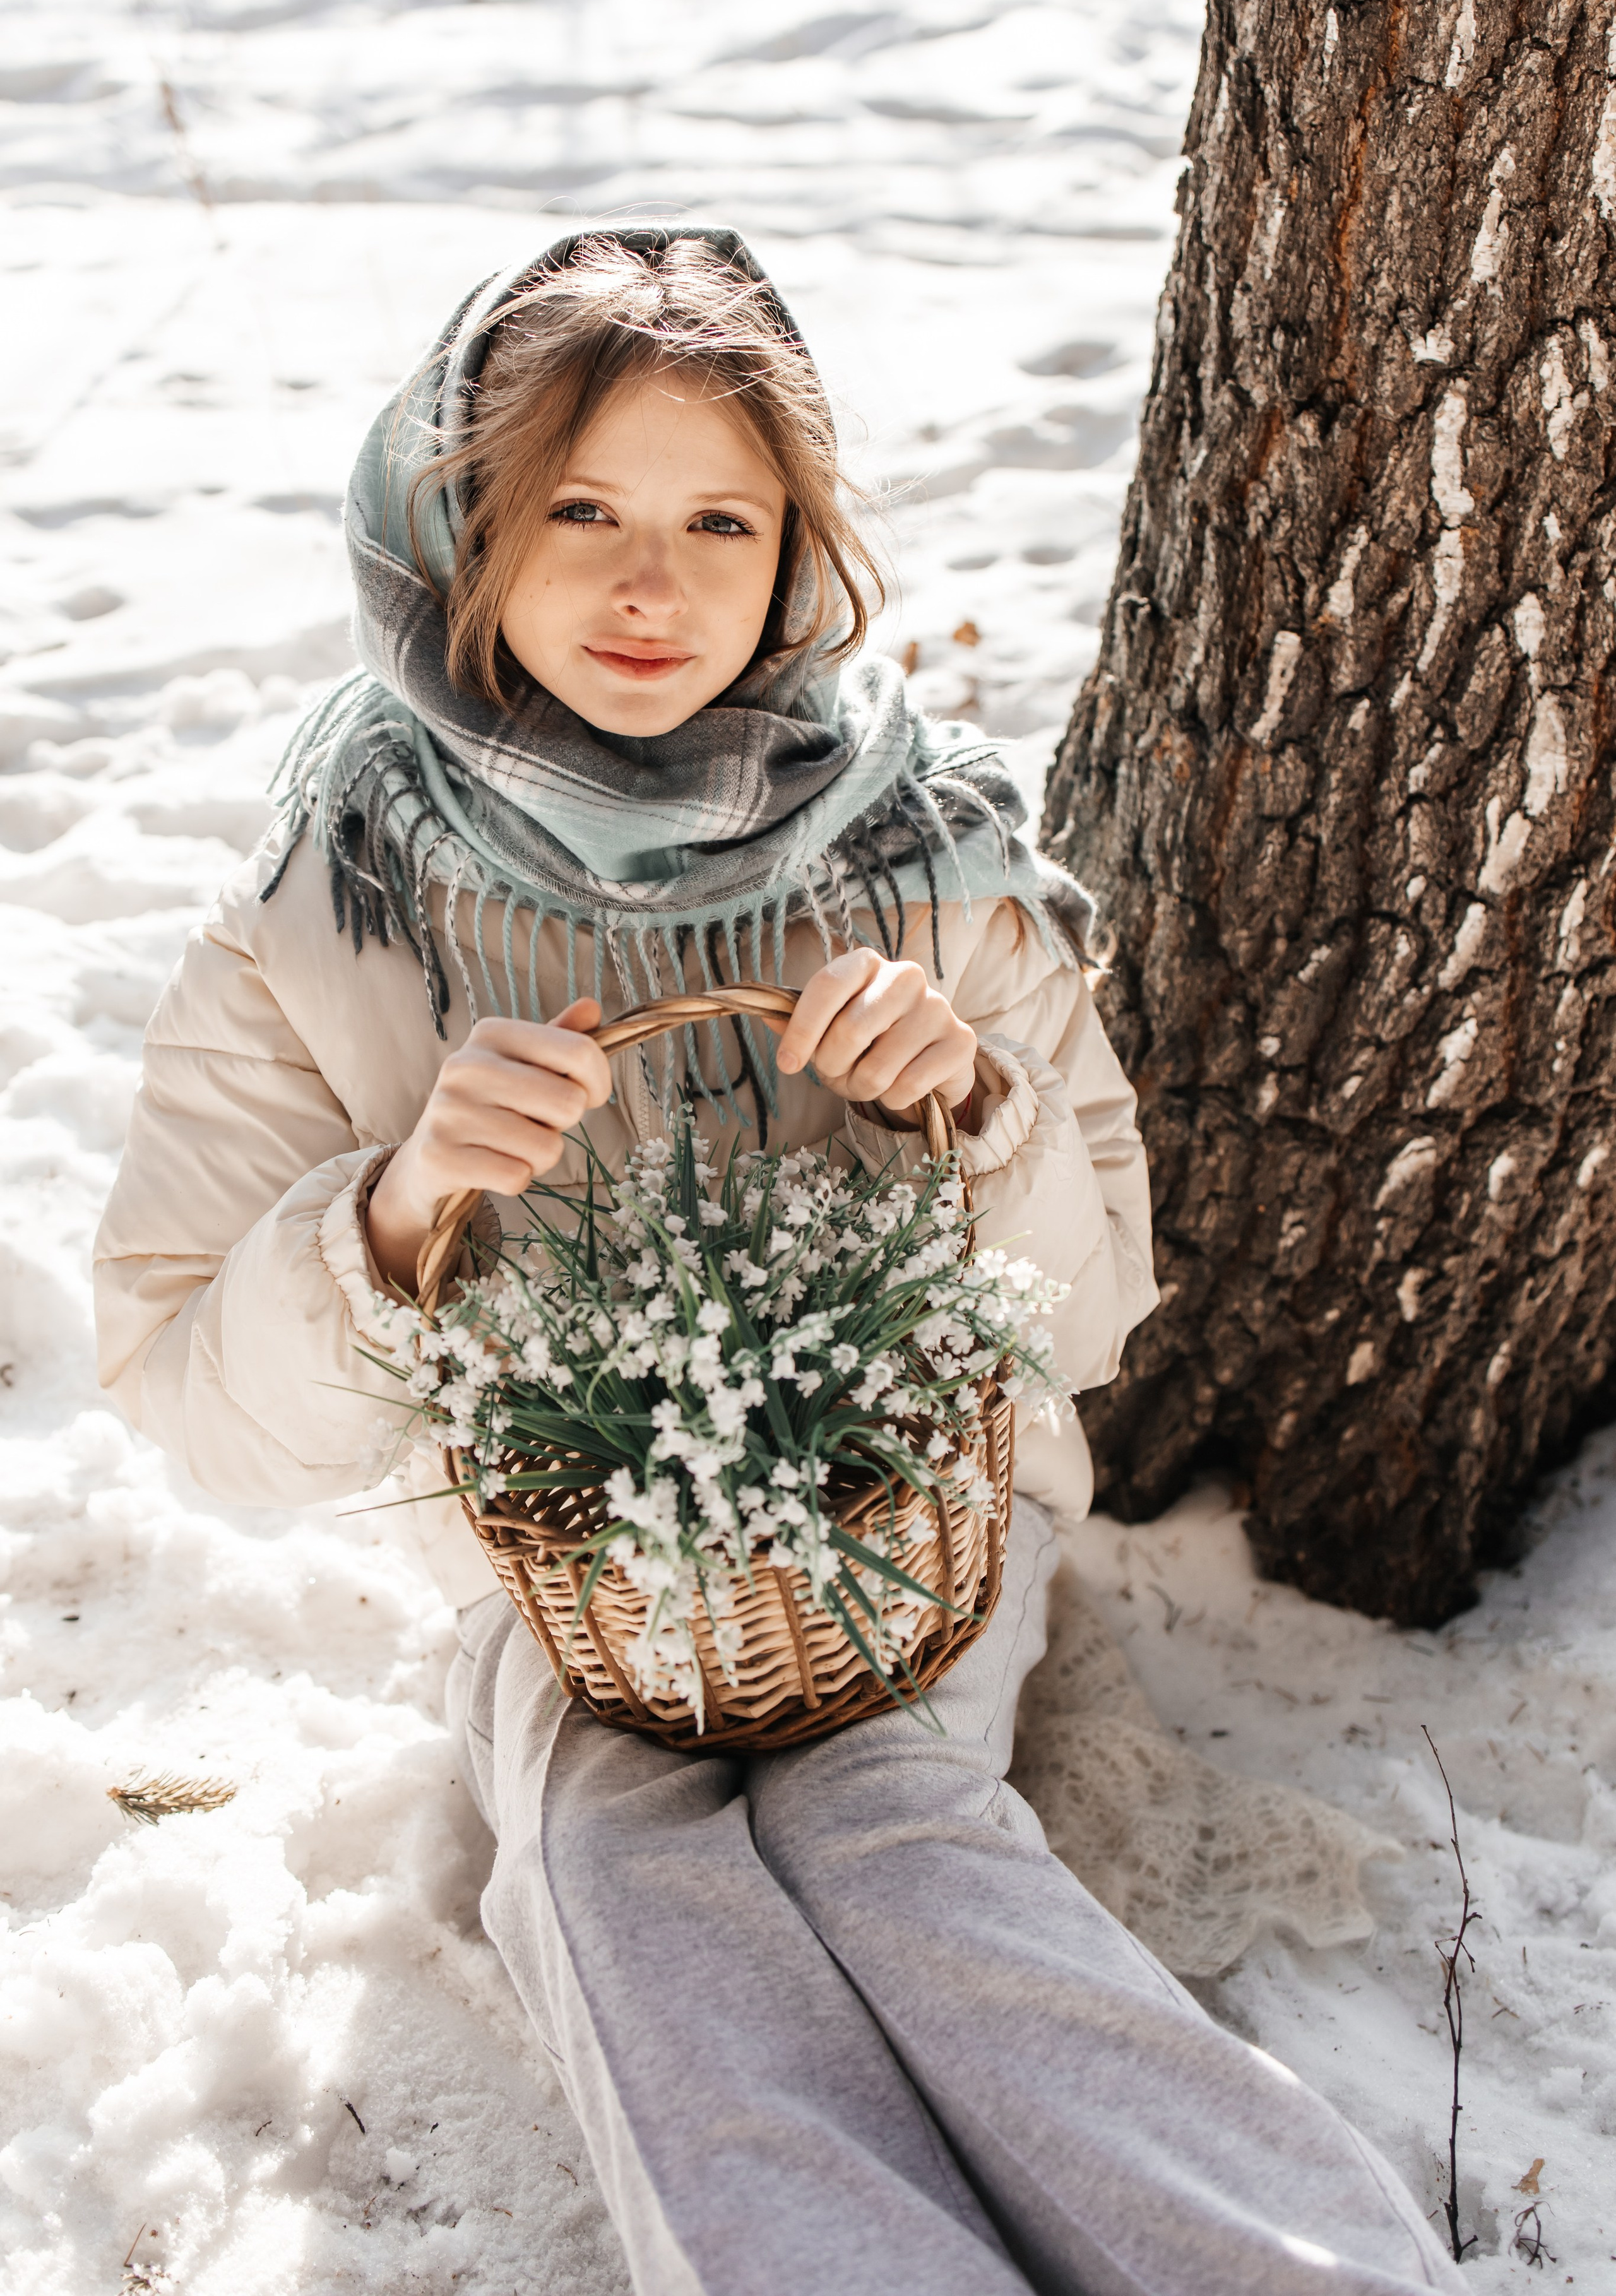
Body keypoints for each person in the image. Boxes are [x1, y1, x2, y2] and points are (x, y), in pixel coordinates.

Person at [95, 229, 1461, 2296]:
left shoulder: (930, 855)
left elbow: (1087, 1317)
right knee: (625, 1860)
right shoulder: (332, 899)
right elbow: (195, 1402)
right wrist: (383, 1226)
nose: (653, 585)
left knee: (889, 1825)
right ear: (459, 527)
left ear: (797, 544)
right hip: (566, 1584)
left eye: (719, 517)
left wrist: (971, 1119)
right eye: (580, 511)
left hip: (911, 1550)